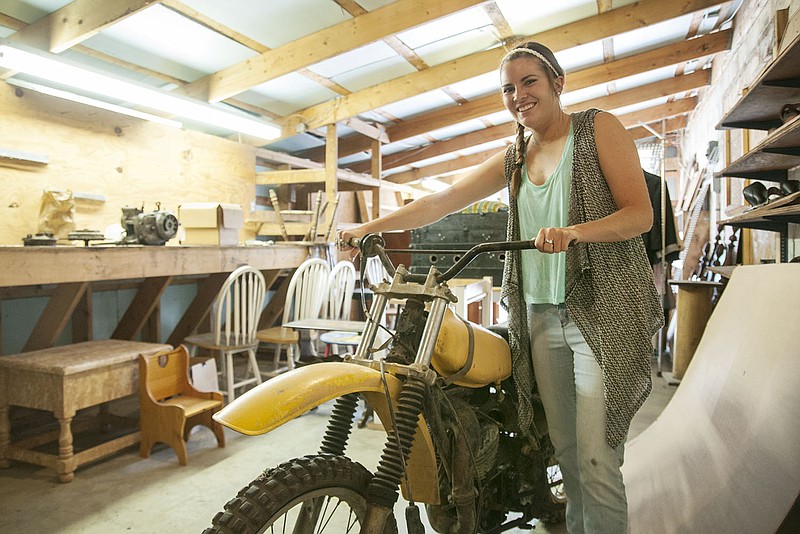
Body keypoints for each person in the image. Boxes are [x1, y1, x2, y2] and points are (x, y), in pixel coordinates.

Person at [337, 41, 663, 533]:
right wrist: (369, 228)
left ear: (557, 82)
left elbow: (640, 214)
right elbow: (442, 201)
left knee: (597, 458)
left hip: (601, 310)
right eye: (508, 88)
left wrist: (576, 232)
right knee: (568, 451)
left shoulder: (598, 129)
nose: (518, 95)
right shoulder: (514, 156)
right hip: (536, 315)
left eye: (529, 81)